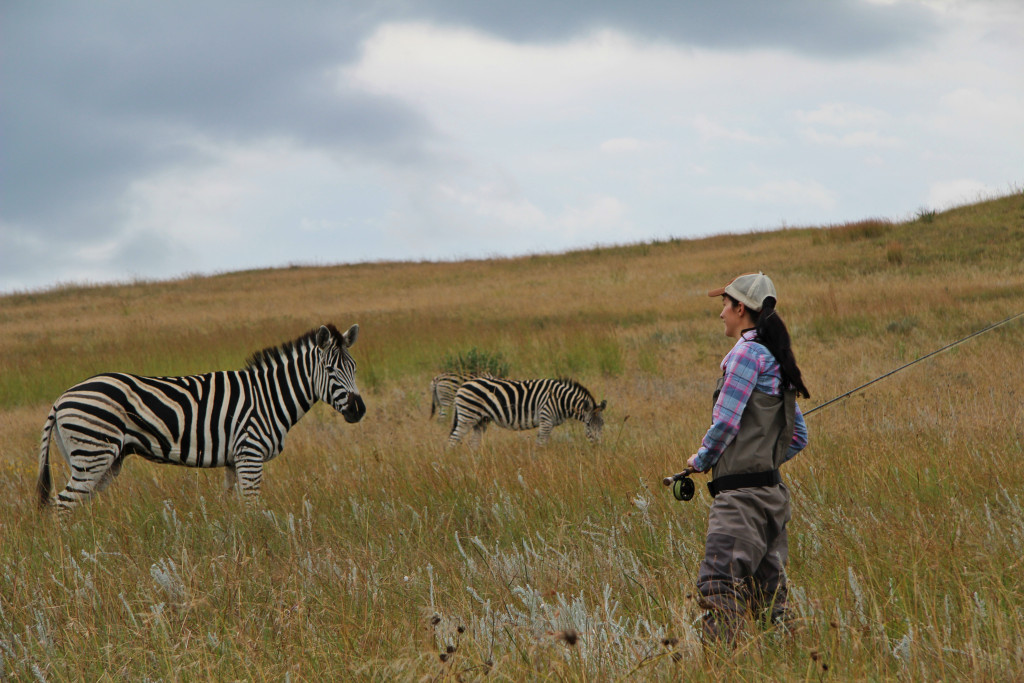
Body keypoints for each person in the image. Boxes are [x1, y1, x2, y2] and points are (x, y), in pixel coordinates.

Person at [686, 272, 809, 644]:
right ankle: (789, 666)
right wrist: (761, 462)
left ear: (741, 308)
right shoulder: (776, 358)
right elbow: (798, 437)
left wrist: (701, 459)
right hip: (772, 501)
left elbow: (725, 421)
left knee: (719, 589)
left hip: (740, 502)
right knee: (770, 606)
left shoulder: (744, 355)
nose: (721, 313)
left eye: (725, 304)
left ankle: (724, 670)